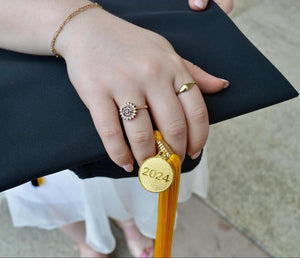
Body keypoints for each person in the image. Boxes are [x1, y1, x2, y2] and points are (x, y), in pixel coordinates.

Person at [1, 0, 233, 257]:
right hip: (19, 42)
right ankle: (87, 241)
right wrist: (81, 29)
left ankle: (128, 224)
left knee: (133, 163)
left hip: (139, 40)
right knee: (51, 175)